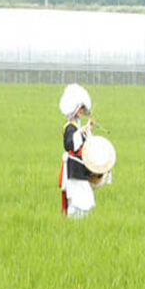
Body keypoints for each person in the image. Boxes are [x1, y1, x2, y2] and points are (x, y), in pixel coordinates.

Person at [58, 84, 96, 217]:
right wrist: (81, 132)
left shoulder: (78, 126)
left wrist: (87, 129)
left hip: (80, 168)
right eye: (80, 107)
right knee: (76, 198)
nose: (82, 110)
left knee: (84, 197)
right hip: (74, 168)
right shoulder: (69, 127)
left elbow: (84, 142)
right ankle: (73, 222)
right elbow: (69, 145)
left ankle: (78, 224)